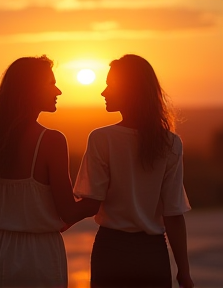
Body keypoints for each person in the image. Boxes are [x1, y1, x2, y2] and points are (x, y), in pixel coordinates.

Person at [0, 55, 98, 288]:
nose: (58, 91)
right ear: (31, 89)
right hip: (35, 255)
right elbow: (68, 212)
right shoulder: (51, 140)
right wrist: (98, 198)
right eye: (51, 83)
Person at [73, 54, 194, 288]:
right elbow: (173, 213)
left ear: (130, 90)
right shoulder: (171, 143)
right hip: (152, 255)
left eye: (110, 85)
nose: (103, 92)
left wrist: (58, 221)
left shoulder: (101, 139)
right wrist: (184, 271)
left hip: (111, 252)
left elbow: (90, 201)